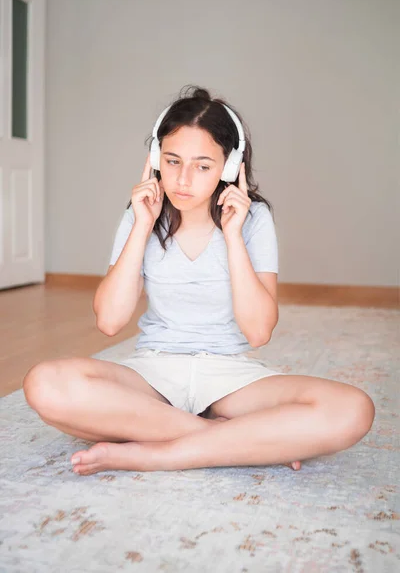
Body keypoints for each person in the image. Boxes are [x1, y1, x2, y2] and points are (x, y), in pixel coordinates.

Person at [22, 85, 375, 476]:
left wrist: (234, 237)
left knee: (352, 409)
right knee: (45, 384)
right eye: (172, 161)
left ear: (228, 166)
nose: (183, 180)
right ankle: (232, 440)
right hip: (153, 372)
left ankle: (156, 453)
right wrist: (141, 227)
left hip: (231, 375)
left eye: (203, 166)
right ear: (156, 159)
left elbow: (258, 333)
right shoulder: (140, 213)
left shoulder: (253, 219)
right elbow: (109, 321)